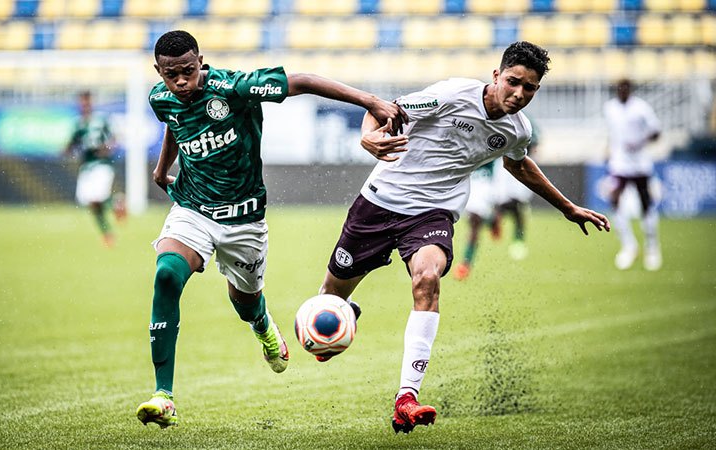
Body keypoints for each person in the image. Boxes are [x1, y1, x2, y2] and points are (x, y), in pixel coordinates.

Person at [317, 41, 610, 434]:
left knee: (427, 278)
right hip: (379, 204)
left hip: (432, 215)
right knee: (327, 303)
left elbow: (518, 165)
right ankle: (346, 312)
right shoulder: (451, 95)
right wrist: (368, 136)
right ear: (496, 75)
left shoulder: (516, 129)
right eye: (513, 82)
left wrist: (567, 207)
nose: (519, 94)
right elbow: (386, 110)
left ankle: (406, 397)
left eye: (530, 89)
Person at [135, 30, 408, 428]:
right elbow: (175, 124)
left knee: (243, 302)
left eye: (188, 71)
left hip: (244, 219)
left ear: (201, 62)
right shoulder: (161, 98)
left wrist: (370, 101)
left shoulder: (234, 87)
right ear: (158, 70)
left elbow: (301, 81)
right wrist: (162, 170)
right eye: (170, 74)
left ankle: (263, 326)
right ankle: (164, 395)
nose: (180, 81)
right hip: (193, 208)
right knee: (166, 274)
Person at [603, 78, 663, 271]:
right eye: (619, 88)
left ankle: (652, 247)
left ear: (631, 90)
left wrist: (641, 141)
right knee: (615, 199)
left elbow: (656, 132)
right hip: (619, 163)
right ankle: (629, 246)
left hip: (640, 163)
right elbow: (613, 133)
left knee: (645, 203)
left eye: (625, 89)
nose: (622, 92)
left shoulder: (641, 108)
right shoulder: (610, 108)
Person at [64, 90, 125, 247]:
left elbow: (115, 138)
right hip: (86, 167)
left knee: (96, 198)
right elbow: (72, 144)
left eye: (87, 101)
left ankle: (115, 207)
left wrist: (108, 148)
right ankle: (108, 228)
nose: (84, 104)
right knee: (89, 202)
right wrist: (67, 149)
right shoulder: (78, 124)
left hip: (102, 164)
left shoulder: (101, 120)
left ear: (91, 102)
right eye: (82, 101)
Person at [493, 117, 541, 261]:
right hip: (501, 163)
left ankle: (518, 240)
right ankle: (495, 225)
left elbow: (536, 141)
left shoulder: (526, 120)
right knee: (499, 202)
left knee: (518, 205)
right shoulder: (498, 116)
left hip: (521, 162)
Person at [452, 160, 500, 281]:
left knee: (475, 222)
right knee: (475, 219)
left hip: (485, 181)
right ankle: (492, 220)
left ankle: (465, 264)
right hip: (469, 180)